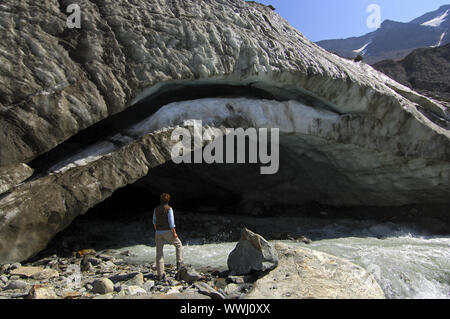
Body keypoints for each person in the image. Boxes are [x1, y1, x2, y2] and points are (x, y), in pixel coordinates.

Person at [153, 193, 183, 280]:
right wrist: (174, 233)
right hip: (167, 231)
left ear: (160, 200)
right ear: (168, 200)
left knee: (159, 253)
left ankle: (160, 274)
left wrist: (157, 230)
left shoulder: (156, 209)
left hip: (158, 232)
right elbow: (171, 222)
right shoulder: (169, 209)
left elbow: (154, 222)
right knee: (179, 245)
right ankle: (179, 264)